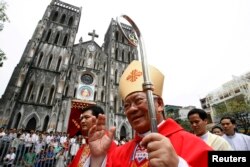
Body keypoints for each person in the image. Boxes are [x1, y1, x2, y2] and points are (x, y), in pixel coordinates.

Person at [87, 60, 212, 167]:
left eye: (138, 100)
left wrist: (179, 165)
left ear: (159, 104)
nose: (131, 109)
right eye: (126, 105)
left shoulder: (194, 144)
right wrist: (97, 159)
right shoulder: (120, 152)